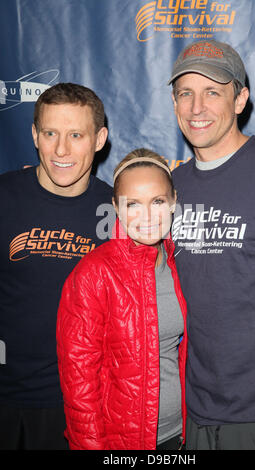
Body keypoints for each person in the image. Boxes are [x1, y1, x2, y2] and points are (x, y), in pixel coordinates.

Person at [168, 40, 255, 450]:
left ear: (240, 98)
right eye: (186, 93)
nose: (196, 108)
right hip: (192, 415)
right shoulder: (170, 187)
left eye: (212, 92)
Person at [0, 83, 113, 450]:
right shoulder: (4, 196)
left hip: (78, 409)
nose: (61, 150)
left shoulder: (118, 213)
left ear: (99, 139)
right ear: (35, 135)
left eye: (76, 135)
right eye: (50, 133)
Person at [56, 148, 187, 450]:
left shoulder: (180, 264)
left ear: (173, 202)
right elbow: (79, 383)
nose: (148, 216)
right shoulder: (93, 273)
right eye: (133, 204)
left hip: (182, 432)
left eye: (157, 201)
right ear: (115, 206)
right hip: (123, 443)